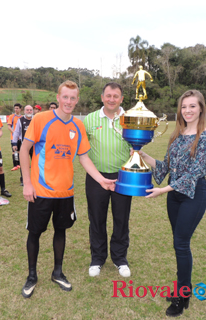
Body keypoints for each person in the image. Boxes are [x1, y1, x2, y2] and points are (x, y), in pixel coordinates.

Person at [19, 80, 116, 299]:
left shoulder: (77, 126)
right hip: (40, 191)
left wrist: (101, 179)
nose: (69, 102)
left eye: (73, 98)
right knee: (35, 233)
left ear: (77, 100)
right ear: (58, 97)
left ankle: (57, 272)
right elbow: (24, 150)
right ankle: (32, 275)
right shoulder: (41, 119)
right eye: (65, 97)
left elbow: (84, 157)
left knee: (60, 231)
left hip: (66, 192)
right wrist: (27, 182)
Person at [137, 90, 206, 317]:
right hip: (174, 195)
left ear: (201, 108)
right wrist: (141, 154)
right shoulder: (177, 134)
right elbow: (167, 166)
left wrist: (162, 190)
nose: (188, 110)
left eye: (192, 106)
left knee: (181, 243)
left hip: (193, 194)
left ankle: (183, 295)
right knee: (178, 243)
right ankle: (184, 288)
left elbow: (195, 173)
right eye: (184, 106)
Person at [83, 82, 132, 278]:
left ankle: (120, 259)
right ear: (102, 97)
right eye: (108, 95)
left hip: (123, 177)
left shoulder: (130, 119)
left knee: (121, 219)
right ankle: (97, 258)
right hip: (96, 177)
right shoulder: (90, 119)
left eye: (116, 96)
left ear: (121, 99)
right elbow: (82, 150)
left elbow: (137, 145)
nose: (112, 99)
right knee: (96, 218)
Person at [12, 105, 34, 186]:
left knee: (35, 162)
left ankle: (35, 178)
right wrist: (14, 143)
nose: (29, 111)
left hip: (34, 145)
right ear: (24, 111)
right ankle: (23, 179)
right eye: (27, 110)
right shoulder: (20, 120)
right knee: (24, 163)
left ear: (32, 111)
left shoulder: (35, 119)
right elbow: (16, 132)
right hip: (24, 145)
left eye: (30, 110)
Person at [7, 103, 22, 171]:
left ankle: (20, 164)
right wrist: (14, 133)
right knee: (14, 151)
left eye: (17, 108)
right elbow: (9, 126)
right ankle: (15, 165)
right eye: (15, 108)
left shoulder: (22, 117)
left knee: (21, 151)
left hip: (21, 138)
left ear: (20, 109)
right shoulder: (11, 116)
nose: (16, 109)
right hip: (14, 138)